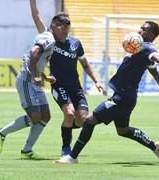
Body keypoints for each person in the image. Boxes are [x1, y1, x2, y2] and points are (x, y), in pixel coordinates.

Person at [54, 21, 159, 164]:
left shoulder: (147, 48)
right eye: (140, 28)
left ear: (152, 34)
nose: (139, 30)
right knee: (123, 130)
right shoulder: (140, 49)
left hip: (122, 97)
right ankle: (155, 147)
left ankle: (72, 157)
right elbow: (153, 70)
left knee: (89, 121)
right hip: (126, 97)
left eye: (143, 29)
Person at [30, 0, 106, 157]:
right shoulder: (50, 38)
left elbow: (85, 64)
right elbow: (36, 17)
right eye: (62, 28)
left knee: (82, 120)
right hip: (59, 85)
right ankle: (66, 147)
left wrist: (96, 81)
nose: (65, 31)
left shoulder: (76, 43)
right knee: (69, 114)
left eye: (67, 28)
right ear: (55, 27)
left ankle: (66, 129)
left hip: (75, 87)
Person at [0, 12, 70, 159]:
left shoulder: (49, 37)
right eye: (64, 31)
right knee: (35, 117)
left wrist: (44, 76)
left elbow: (37, 59)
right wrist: (34, 75)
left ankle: (27, 151)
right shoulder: (49, 38)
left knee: (45, 116)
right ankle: (1, 132)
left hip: (34, 82)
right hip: (27, 82)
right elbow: (34, 53)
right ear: (56, 26)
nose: (66, 35)